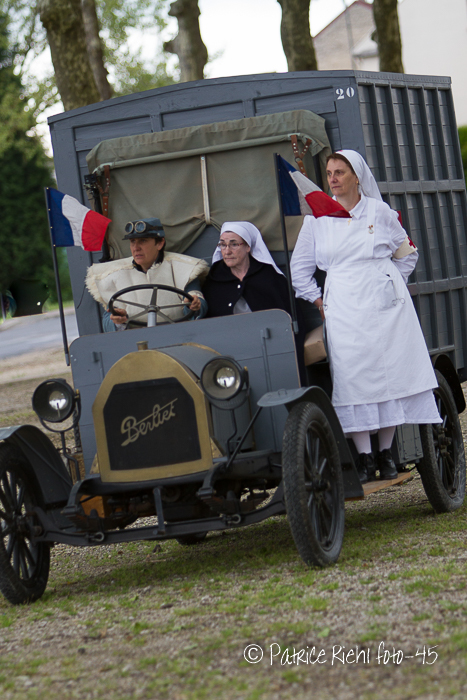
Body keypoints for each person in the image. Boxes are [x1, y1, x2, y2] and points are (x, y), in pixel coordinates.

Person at [290, 150, 441, 484]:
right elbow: (299, 270)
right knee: (352, 378)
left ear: (357, 176)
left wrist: (389, 284)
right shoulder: (317, 218)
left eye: (340, 172)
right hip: (343, 306)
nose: (333, 179)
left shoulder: (379, 212)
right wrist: (318, 300)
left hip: (386, 308)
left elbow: (407, 254)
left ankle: (385, 453)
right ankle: (364, 456)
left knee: (388, 375)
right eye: (329, 173)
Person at [203, 221, 305, 381]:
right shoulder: (214, 281)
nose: (227, 251)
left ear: (248, 247)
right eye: (222, 245)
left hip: (270, 349)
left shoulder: (269, 277)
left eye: (234, 244)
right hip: (230, 357)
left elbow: (291, 320)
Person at [86, 218, 209, 331]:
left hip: (179, 336)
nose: (136, 248)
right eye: (132, 241)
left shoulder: (182, 269)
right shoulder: (116, 275)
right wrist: (118, 321)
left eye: (143, 241)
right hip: (137, 341)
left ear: (160, 243)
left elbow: (198, 302)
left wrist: (194, 304)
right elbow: (108, 321)